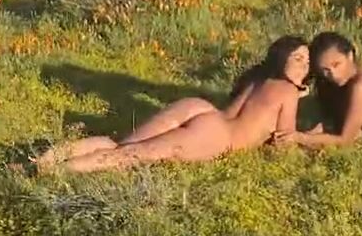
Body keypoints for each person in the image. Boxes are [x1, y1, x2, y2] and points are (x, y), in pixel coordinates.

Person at [35, 37, 310, 174]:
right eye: (298, 59)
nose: (305, 66)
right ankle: (54, 172)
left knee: (119, 145)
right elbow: (283, 140)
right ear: (281, 59)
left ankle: (44, 160)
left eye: (308, 62)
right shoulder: (288, 91)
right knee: (128, 156)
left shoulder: (256, 78)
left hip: (200, 108)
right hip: (216, 136)